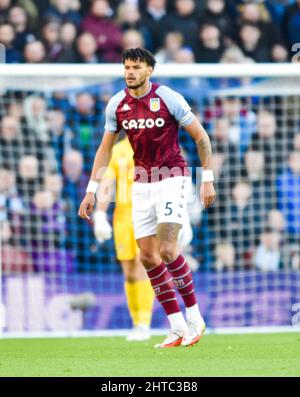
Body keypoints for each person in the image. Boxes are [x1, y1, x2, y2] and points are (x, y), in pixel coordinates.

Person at [78, 48, 216, 348]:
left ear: (149, 70)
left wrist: (207, 180)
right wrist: (91, 190)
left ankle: (194, 316)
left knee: (168, 249)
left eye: (136, 67)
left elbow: (201, 137)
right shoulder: (116, 104)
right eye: (126, 66)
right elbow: (104, 150)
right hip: (141, 183)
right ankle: (176, 326)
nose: (130, 72)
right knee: (147, 257)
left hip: (172, 178)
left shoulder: (168, 98)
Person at [93, 136, 155, 341]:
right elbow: (107, 183)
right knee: (129, 272)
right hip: (122, 218)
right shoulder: (117, 149)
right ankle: (136, 322)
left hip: (146, 213)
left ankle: (144, 324)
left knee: (142, 267)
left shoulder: (152, 142)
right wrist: (100, 214)